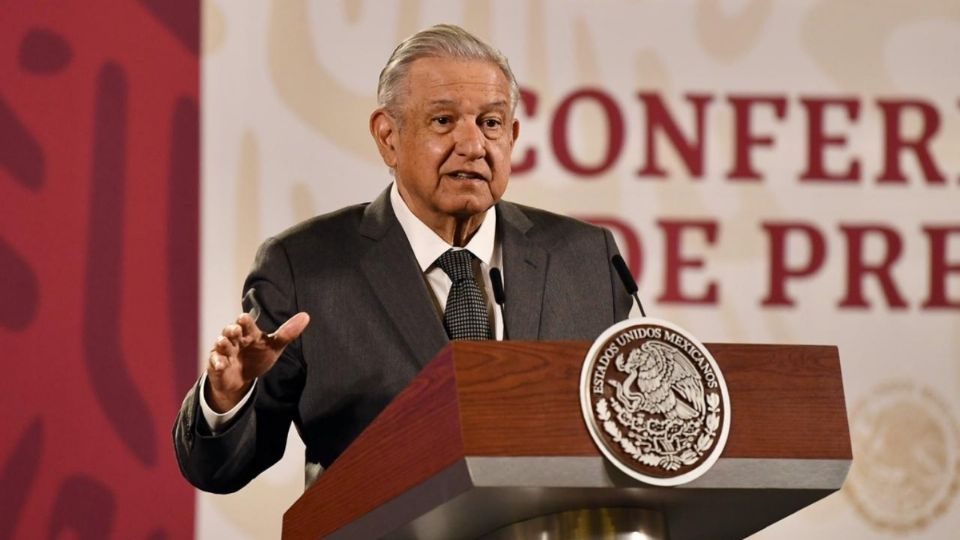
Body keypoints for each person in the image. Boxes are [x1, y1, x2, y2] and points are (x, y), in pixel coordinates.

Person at [174, 24, 632, 494]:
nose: (473, 145)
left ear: (512, 136)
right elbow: (218, 469)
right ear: (388, 136)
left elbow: (627, 434)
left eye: (491, 123)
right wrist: (227, 397)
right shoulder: (305, 267)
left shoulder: (585, 257)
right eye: (443, 121)